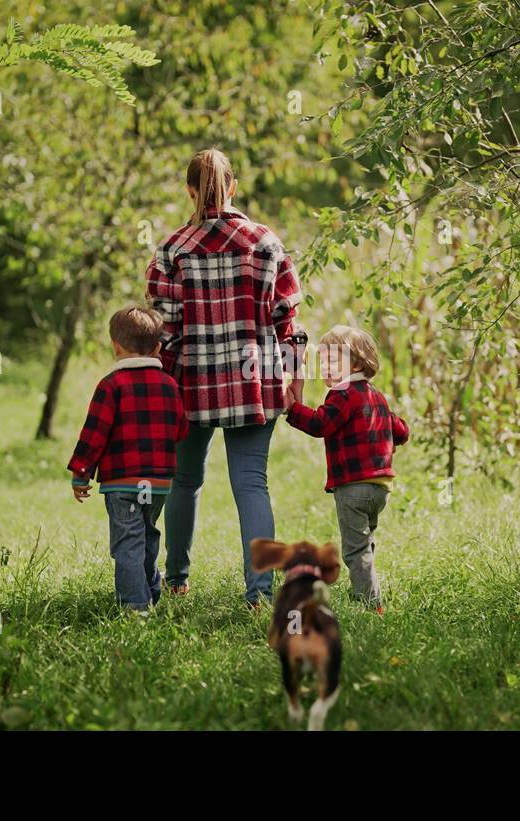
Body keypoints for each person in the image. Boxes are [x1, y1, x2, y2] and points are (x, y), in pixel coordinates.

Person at [146, 147, 305, 607]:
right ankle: (259, 594)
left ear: (189, 190)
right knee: (252, 483)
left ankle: (176, 579)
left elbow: (164, 331)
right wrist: (295, 377)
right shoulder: (265, 242)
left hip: (190, 385)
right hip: (254, 384)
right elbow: (286, 321)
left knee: (184, 480)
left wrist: (161, 384)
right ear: (233, 187)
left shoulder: (172, 249)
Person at [67, 305, 188, 614]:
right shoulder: (170, 386)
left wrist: (81, 473)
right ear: (158, 348)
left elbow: (94, 435)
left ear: (115, 346)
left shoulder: (111, 386)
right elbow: (180, 429)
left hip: (122, 482)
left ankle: (136, 607)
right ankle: (150, 590)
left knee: (127, 541)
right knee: (147, 533)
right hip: (158, 483)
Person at [285, 325, 409, 612]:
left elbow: (321, 424)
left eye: (332, 361)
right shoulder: (376, 396)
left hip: (353, 486)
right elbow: (400, 430)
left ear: (355, 363)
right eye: (323, 361)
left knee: (355, 548)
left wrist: (292, 410)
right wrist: (389, 436)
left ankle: (371, 603)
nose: (325, 367)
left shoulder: (343, 395)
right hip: (380, 487)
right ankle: (364, 587)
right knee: (364, 543)